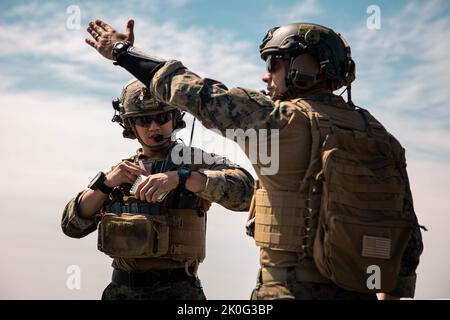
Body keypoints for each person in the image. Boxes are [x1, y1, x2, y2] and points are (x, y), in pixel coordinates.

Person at [84, 19, 424, 300]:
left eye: (273, 64)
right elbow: (404, 236)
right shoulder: (380, 137)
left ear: (302, 68)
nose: (266, 76)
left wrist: (122, 52)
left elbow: (192, 92)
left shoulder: (277, 122)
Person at [61, 78, 254, 300]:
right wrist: (105, 184)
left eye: (162, 117)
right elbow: (72, 226)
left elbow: (247, 191)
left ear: (174, 118)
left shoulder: (195, 162)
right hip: (121, 291)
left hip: (178, 291)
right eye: (144, 120)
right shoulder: (122, 172)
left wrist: (182, 178)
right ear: (130, 124)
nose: (154, 127)